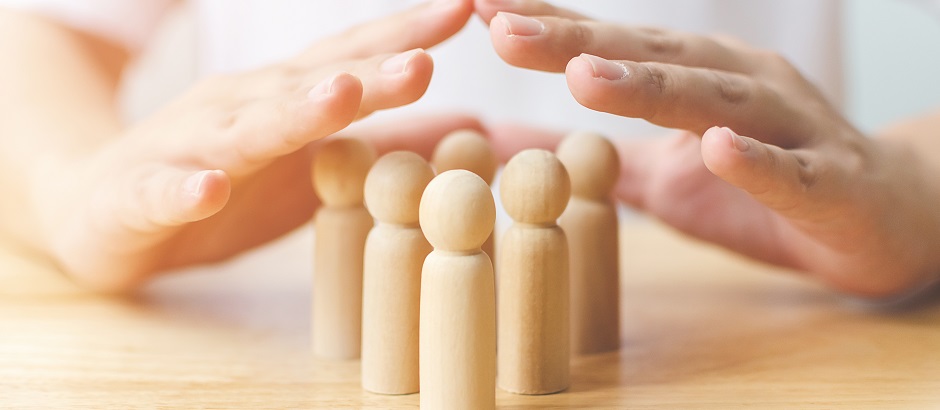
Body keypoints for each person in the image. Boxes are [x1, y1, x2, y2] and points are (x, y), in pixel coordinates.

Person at [0, 0, 937, 298]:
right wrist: (64, 181)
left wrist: (920, 184)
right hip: (270, 313)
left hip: (777, 315)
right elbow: (44, 30)